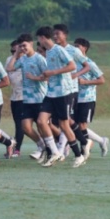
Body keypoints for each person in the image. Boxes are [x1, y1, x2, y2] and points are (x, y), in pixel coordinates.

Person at [35, 26, 85, 168]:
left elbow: (72, 66)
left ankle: (79, 155)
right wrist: (45, 75)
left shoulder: (58, 50)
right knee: (41, 121)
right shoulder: (49, 51)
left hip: (63, 93)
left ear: (43, 38)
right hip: (51, 93)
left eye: (38, 38)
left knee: (64, 124)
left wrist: (53, 72)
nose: (38, 41)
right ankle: (55, 152)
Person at [6, 33, 47, 161]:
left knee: (43, 126)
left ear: (31, 44)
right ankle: (42, 146)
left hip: (40, 98)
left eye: (24, 46)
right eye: (20, 46)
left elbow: (48, 76)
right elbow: (10, 68)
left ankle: (56, 147)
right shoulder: (22, 59)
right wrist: (16, 53)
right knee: (25, 127)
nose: (23, 48)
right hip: (26, 99)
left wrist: (34, 78)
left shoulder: (39, 59)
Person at [73, 38, 108, 159]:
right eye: (74, 46)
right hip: (75, 98)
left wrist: (85, 82)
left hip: (87, 98)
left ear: (84, 48)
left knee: (82, 125)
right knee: (76, 126)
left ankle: (85, 149)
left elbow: (102, 80)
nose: (75, 48)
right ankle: (101, 140)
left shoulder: (90, 64)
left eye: (78, 46)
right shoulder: (73, 63)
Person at [5, 38, 25, 157]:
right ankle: (16, 147)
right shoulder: (9, 60)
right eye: (12, 51)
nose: (14, 53)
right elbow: (7, 72)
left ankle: (17, 149)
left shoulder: (26, 60)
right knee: (19, 124)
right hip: (15, 97)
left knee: (23, 125)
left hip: (26, 97)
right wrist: (14, 56)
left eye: (16, 50)